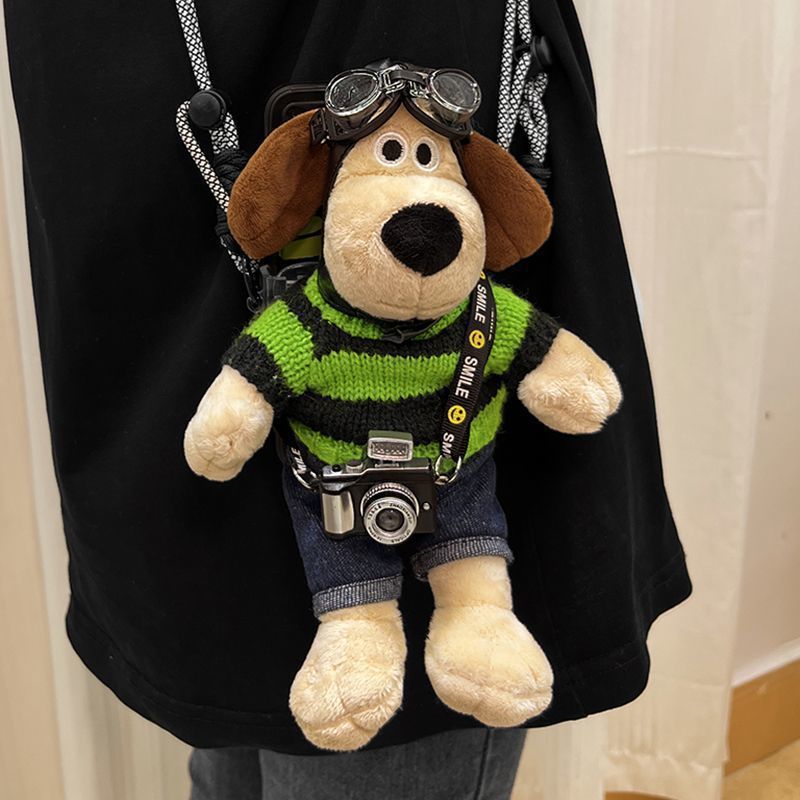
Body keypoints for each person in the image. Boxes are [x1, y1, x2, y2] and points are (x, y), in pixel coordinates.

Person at [4, 0, 690, 796]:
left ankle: (462, 622)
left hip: (170, 125)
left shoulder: (476, 306)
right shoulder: (302, 315)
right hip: (176, 152)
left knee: (265, 693)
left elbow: (547, 357)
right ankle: (366, 626)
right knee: (236, 666)